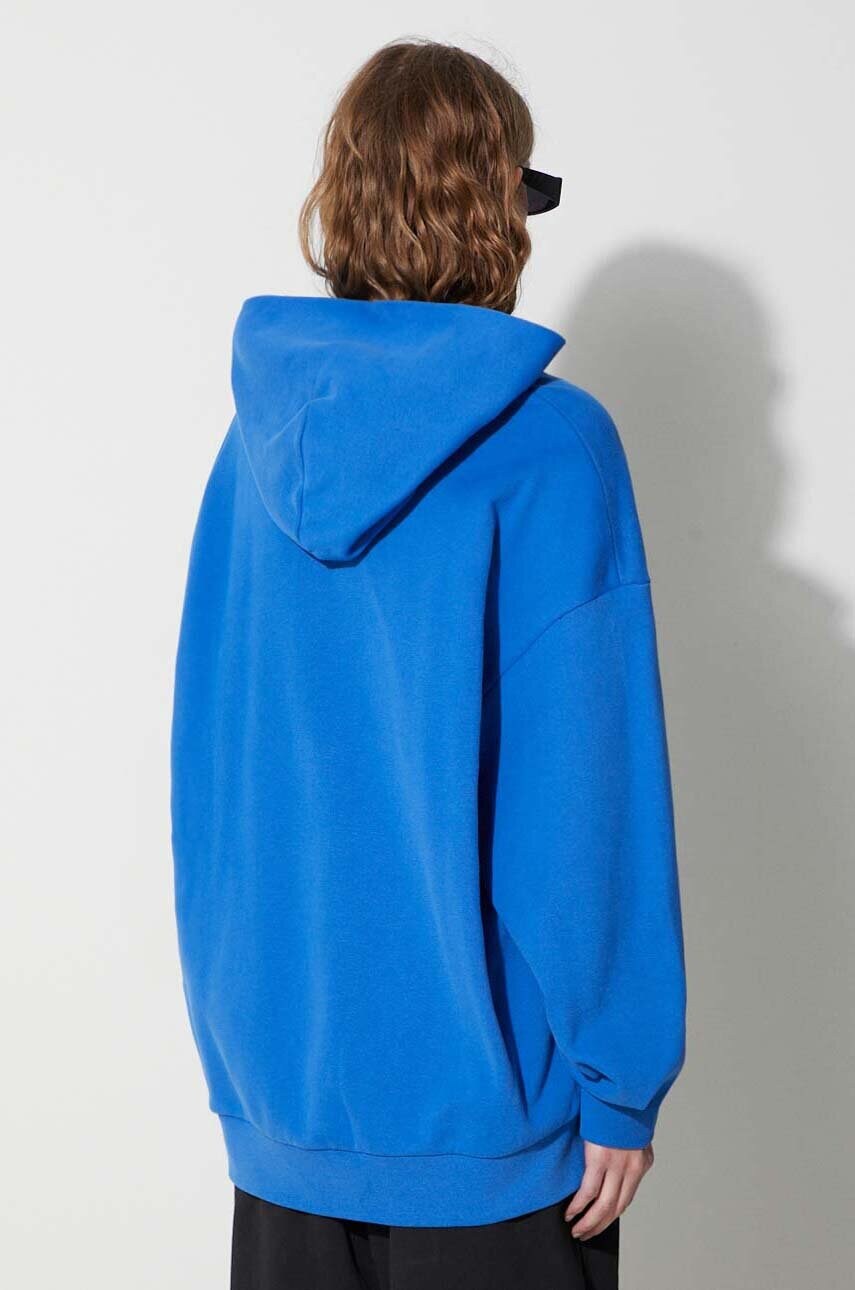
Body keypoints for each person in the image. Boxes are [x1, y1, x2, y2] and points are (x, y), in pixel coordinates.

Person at [171, 39, 686, 1290]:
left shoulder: (251, 451)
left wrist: (248, 1076)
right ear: (495, 204)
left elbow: (216, 779)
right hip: (491, 1138)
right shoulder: (554, 448)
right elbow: (585, 802)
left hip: (285, 1118)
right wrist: (622, 1081)